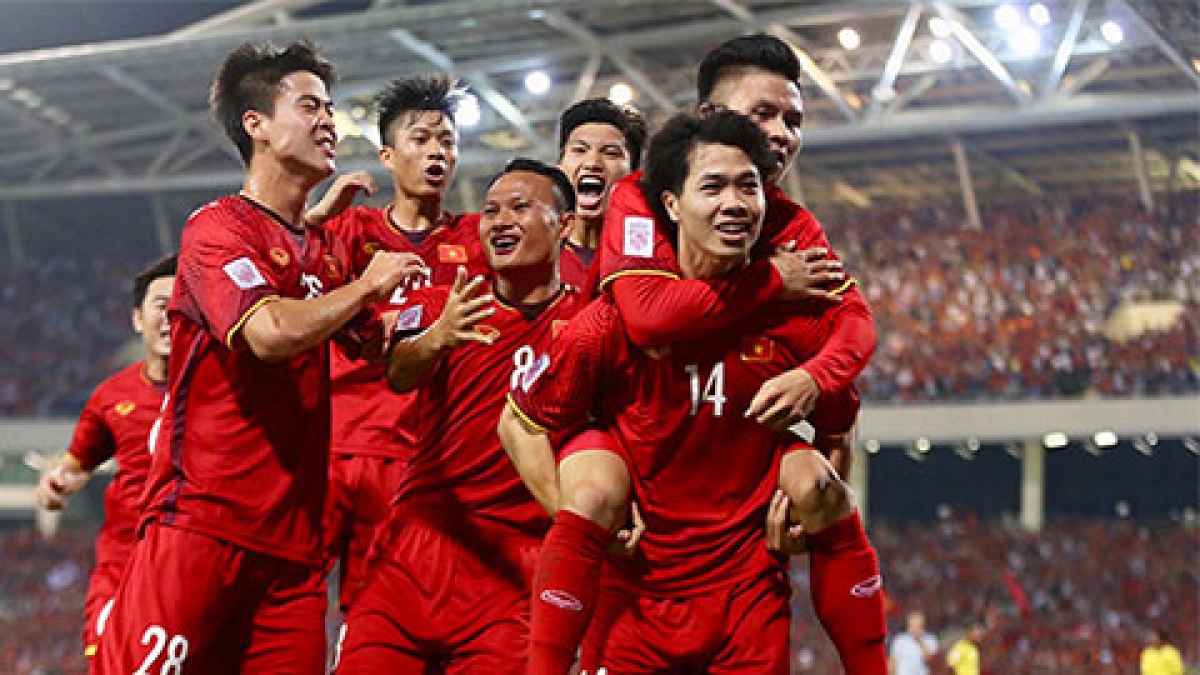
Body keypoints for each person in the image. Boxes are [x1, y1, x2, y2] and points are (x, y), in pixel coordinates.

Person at [510, 33, 883, 675]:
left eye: (793, 119)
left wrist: (816, 381)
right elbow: (648, 320)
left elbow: (853, 333)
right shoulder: (639, 198)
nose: (781, 135)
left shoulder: (791, 226)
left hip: (737, 555)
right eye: (761, 115)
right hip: (633, 479)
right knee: (596, 487)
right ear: (675, 201)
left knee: (818, 484)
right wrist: (769, 281)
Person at [95, 41, 426, 674]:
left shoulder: (323, 251)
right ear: (257, 126)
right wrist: (362, 287)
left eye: (330, 107)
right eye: (309, 106)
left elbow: (379, 353)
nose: (329, 120)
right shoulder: (216, 228)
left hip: (294, 556)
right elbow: (267, 332)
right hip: (202, 526)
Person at [335, 159, 587, 673]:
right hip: (417, 545)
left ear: (563, 225)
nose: (500, 221)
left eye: (520, 208)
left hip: (514, 563)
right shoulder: (449, 302)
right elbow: (399, 375)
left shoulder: (589, 324)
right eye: (491, 211)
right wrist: (438, 337)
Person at [312, 75, 491, 615]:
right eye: (422, 138)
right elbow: (270, 276)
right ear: (388, 155)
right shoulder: (348, 229)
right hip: (329, 448)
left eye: (448, 141)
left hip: (410, 457)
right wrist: (317, 217)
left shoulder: (475, 240)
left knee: (376, 615)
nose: (438, 151)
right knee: (280, 598)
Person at [35, 255, 175, 671]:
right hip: (122, 566)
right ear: (137, 319)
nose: (171, 318)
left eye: (181, 307)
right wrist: (53, 486)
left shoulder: (223, 391)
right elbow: (74, 468)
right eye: (160, 306)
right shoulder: (112, 396)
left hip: (187, 564)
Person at [554, 98, 646, 288]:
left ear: (634, 175)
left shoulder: (648, 258)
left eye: (611, 153)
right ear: (559, 168)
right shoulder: (533, 252)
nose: (592, 163)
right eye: (579, 150)